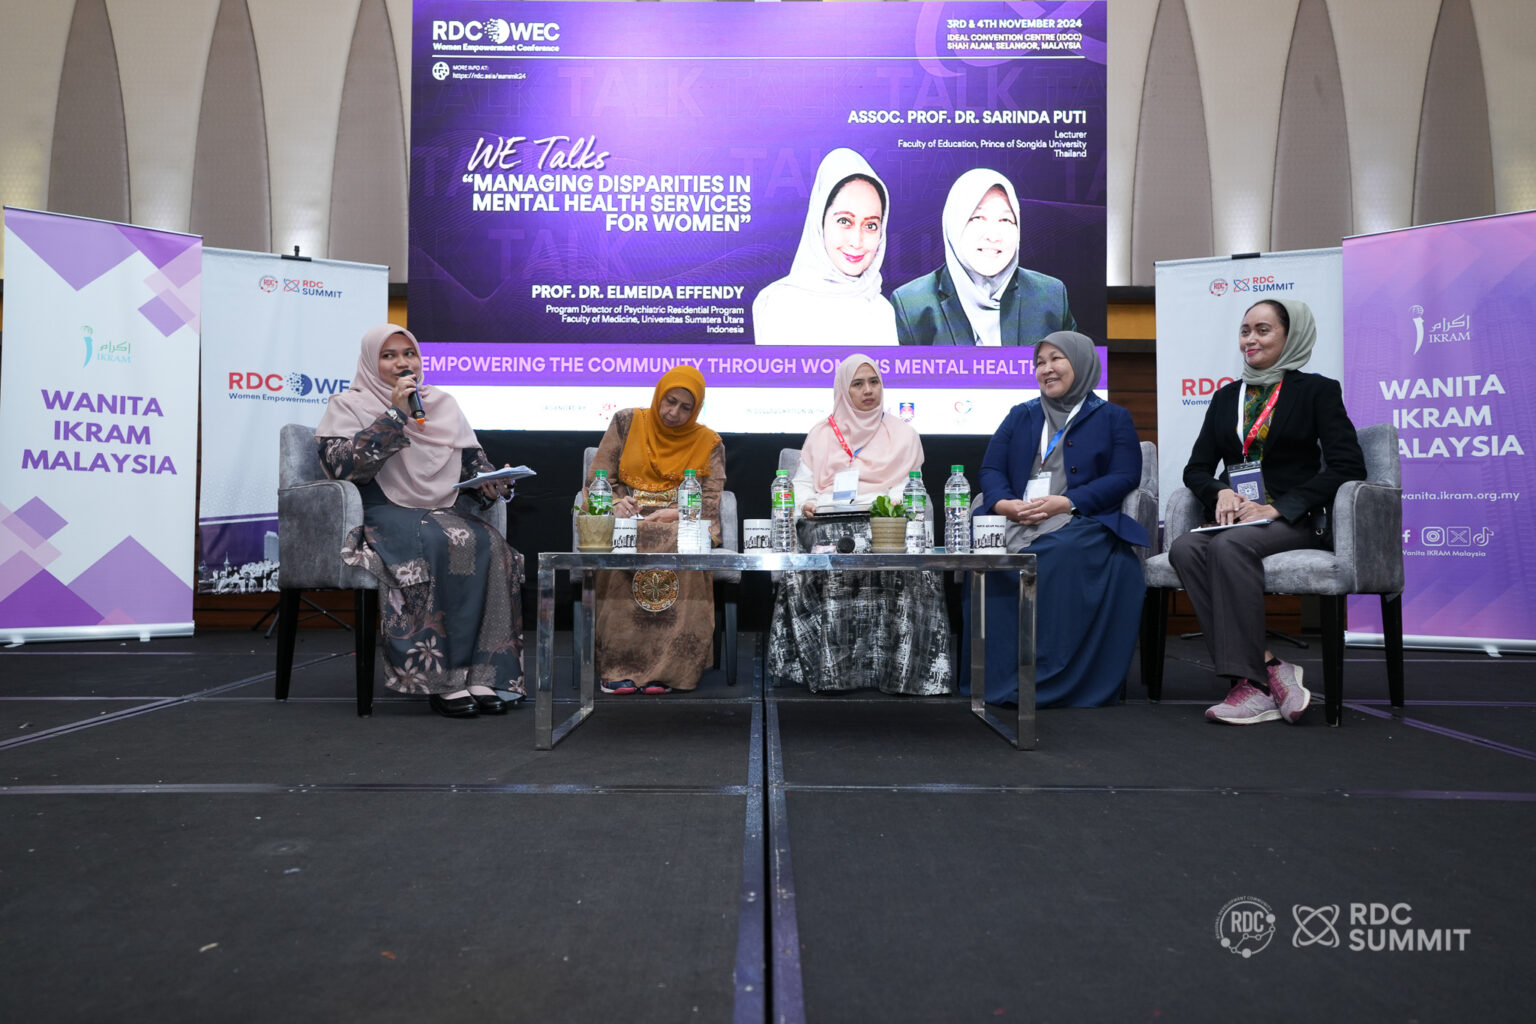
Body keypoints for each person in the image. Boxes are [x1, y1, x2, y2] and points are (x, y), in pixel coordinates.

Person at [1168, 298, 1366, 725]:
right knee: (1184, 548)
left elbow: (1348, 466)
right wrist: (1220, 490)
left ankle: (1253, 687)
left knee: (1229, 547)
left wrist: (1277, 508)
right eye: (1245, 331)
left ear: (1290, 337)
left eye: (1263, 330)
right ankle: (1270, 667)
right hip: (1238, 517)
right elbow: (1196, 469)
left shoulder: (1316, 391)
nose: (1250, 340)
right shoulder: (1226, 397)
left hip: (1294, 518)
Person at [315, 324, 524, 719]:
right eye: (389, 355)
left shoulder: (442, 404)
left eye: (408, 353)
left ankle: (483, 672)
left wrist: (493, 485)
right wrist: (396, 414)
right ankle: (441, 679)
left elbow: (474, 468)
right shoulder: (347, 405)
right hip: (380, 508)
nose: (402, 363)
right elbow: (343, 467)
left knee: (493, 545)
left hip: (439, 511)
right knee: (440, 540)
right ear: (370, 362)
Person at [972, 331, 1147, 706]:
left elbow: (1125, 476)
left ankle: (1049, 677)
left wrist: (1067, 502)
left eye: (1056, 359)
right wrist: (1004, 505)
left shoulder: (1113, 417)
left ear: (1081, 362)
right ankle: (994, 677)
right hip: (1017, 516)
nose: (1046, 369)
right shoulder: (1020, 415)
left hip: (1080, 519)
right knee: (985, 556)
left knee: (1055, 554)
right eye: (1039, 362)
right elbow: (990, 469)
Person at [768, 354, 952, 695]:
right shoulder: (821, 434)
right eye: (858, 383)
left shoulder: (904, 434)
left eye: (874, 382)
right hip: (825, 520)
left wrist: (882, 505)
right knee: (831, 540)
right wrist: (807, 504)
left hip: (880, 521)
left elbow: (908, 486)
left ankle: (896, 668)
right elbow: (802, 486)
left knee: (880, 541)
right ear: (843, 389)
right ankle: (834, 668)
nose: (868, 390)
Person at [586, 366, 725, 694]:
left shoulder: (709, 442)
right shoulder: (626, 422)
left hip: (679, 524)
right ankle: (619, 665)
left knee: (686, 541)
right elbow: (597, 481)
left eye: (685, 408)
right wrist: (615, 503)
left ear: (696, 410)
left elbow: (709, 503)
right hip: (627, 521)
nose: (673, 413)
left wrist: (674, 513)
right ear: (659, 395)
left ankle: (670, 670)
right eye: (669, 401)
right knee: (624, 537)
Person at [891, 168, 1075, 347]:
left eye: (1005, 220)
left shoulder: (1051, 296)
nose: (993, 236)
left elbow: (1075, 366)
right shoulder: (911, 305)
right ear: (954, 224)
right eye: (977, 218)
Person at [752, 148, 898, 347]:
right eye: (844, 221)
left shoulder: (883, 311)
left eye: (871, 225)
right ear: (820, 222)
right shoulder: (778, 303)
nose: (856, 241)